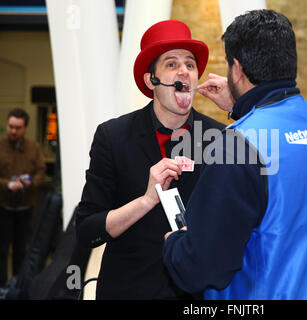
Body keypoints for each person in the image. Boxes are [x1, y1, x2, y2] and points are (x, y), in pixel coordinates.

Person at [163, 9, 307, 299]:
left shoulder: (235, 148)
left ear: (236, 69)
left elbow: (201, 268)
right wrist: (242, 107)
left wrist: (174, 244)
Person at [74, 20, 224, 300]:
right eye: (171, 63)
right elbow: (87, 230)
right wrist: (146, 200)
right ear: (150, 80)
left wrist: (238, 106)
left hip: (194, 295)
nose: (184, 71)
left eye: (190, 65)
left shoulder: (219, 137)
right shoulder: (113, 136)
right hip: (128, 290)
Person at [0, 108, 46, 286]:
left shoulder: (33, 148)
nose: (13, 131)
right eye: (11, 126)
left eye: (17, 127)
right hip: (3, 206)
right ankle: (2, 285)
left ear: (25, 127)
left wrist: (31, 182)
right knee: (2, 249)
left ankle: (18, 285)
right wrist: (7, 184)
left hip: (26, 207)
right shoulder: (1, 145)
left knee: (21, 249)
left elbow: (41, 171)